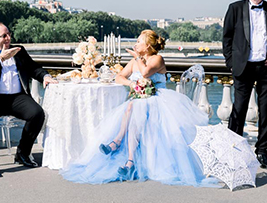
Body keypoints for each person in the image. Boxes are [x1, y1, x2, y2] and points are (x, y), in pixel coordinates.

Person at [60, 30, 222, 187]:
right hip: (139, 101)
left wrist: (137, 59)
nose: (136, 44)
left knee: (133, 106)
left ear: (148, 46)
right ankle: (128, 157)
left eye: (139, 42)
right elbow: (119, 76)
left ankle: (119, 145)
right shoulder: (134, 62)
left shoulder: (157, 59)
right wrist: (131, 83)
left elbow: (145, 74)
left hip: (158, 99)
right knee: (133, 105)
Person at [0, 22, 57, 177]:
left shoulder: (19, 50)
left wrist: (45, 76)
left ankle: (23, 153)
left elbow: (32, 67)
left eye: (9, 34)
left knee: (37, 113)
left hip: (17, 97)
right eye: (4, 36)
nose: (8, 38)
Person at [222, 0, 267, 169]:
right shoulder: (235, 8)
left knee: (266, 111)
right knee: (238, 110)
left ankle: (262, 152)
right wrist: (231, 64)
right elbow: (227, 38)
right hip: (243, 66)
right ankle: (232, 149)